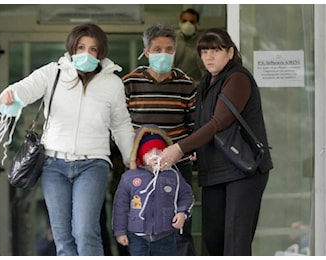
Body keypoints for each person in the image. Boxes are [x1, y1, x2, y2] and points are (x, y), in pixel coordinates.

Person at [0, 23, 135, 256]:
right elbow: (25, 89)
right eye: (81, 47)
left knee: (85, 232)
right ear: (72, 48)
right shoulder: (53, 73)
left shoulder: (112, 83)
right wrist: (11, 96)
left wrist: (131, 159)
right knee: (62, 236)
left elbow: (121, 124)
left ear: (101, 52)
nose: (86, 53)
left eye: (93, 49)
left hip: (93, 164)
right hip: (54, 165)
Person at [160, 28, 274, 256]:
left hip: (243, 170)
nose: (209, 56)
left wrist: (180, 147)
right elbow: (203, 125)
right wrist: (195, 151)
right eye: (204, 51)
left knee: (235, 243)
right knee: (213, 240)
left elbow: (218, 122)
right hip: (215, 170)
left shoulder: (238, 78)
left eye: (216, 50)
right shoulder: (206, 83)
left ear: (230, 52)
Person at [122, 22, 197, 256]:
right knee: (139, 224)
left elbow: (194, 125)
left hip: (176, 167)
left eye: (168, 49)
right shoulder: (130, 83)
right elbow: (120, 125)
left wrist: (189, 150)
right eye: (157, 49)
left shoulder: (186, 84)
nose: (163, 54)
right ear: (146, 53)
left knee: (179, 225)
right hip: (140, 169)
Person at [112, 124, 194, 256]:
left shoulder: (173, 175)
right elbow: (120, 206)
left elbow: (186, 195)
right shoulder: (129, 178)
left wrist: (182, 213)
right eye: (149, 151)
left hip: (166, 234)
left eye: (159, 151)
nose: (155, 155)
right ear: (141, 155)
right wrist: (120, 231)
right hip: (137, 236)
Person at [174, 8, 204, 84]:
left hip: (195, 83)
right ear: (179, 22)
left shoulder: (202, 42)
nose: (188, 24)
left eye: (192, 22)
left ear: (197, 23)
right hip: (174, 83)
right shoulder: (172, 39)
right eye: (184, 21)